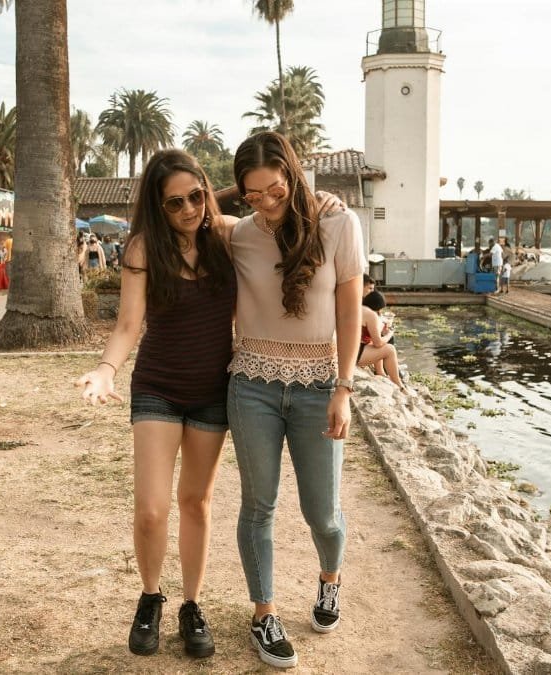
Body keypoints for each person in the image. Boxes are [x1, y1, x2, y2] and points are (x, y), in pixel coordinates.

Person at [76, 149, 235, 660]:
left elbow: (286, 218)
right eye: (175, 203)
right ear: (158, 206)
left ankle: (192, 605)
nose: (190, 209)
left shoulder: (228, 236)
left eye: (196, 196)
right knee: (151, 509)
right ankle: (150, 598)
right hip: (159, 387)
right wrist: (106, 369)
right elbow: (127, 325)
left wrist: (321, 202)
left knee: (196, 502)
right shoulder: (145, 248)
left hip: (213, 390)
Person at [228, 131, 364, 669]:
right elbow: (189, 215)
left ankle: (330, 580)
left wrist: (344, 388)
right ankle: (264, 614)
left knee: (322, 513)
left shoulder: (339, 224)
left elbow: (351, 310)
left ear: (294, 175)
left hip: (318, 385)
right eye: (252, 193)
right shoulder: (239, 235)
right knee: (258, 506)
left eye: (275, 190)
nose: (265, 202)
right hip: (252, 386)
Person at [358, 290, 404, 388]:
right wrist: (390, 334)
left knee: (379, 343)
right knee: (390, 349)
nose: (380, 312)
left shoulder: (361, 309)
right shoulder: (371, 315)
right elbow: (377, 343)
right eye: (380, 309)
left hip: (349, 349)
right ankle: (398, 384)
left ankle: (380, 372)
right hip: (355, 353)